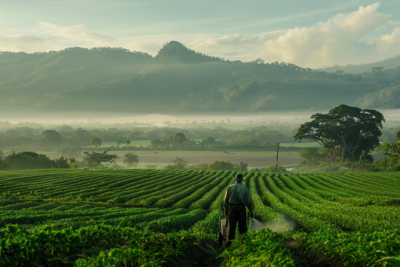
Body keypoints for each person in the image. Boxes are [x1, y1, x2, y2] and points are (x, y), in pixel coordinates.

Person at [223, 173, 255, 246]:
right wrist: (251, 211)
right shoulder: (245, 189)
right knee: (242, 226)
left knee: (231, 226)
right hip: (241, 208)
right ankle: (243, 243)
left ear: (235, 180)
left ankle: (229, 244)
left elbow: (226, 199)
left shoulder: (229, 187)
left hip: (232, 208)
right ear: (241, 180)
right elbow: (249, 201)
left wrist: (226, 209)